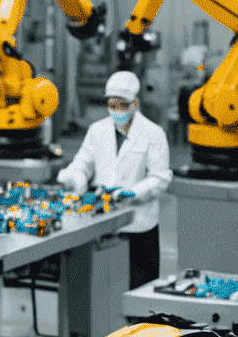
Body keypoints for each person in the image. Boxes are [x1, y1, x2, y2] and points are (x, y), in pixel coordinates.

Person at [56, 70, 172, 289]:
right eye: (111, 104)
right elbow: (82, 164)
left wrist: (132, 193)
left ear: (134, 104)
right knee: (106, 289)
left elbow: (160, 177)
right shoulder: (97, 131)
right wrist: (75, 179)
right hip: (103, 222)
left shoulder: (153, 133)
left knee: (140, 292)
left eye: (122, 105)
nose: (116, 110)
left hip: (139, 225)